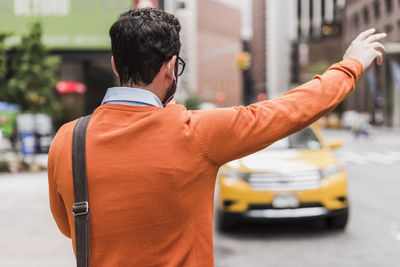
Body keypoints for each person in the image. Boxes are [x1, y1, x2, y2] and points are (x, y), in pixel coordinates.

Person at [48, 8, 387, 267]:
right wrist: (350, 65)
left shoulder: (68, 140)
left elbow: (70, 227)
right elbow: (290, 110)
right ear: (170, 67)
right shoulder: (195, 134)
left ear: (114, 64)